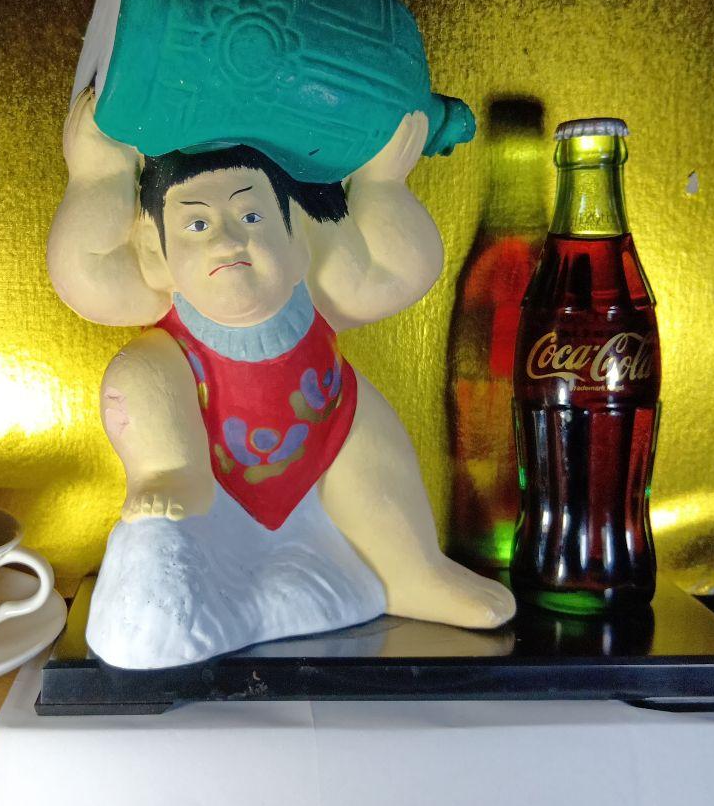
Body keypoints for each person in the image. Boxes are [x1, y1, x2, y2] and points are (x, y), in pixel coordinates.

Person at [48, 89, 515, 665]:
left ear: (296, 240)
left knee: (372, 452)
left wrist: (382, 184)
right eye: (197, 224)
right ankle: (170, 475)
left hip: (327, 416)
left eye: (251, 216)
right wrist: (98, 172)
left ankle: (409, 569)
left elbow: (398, 269)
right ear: (155, 253)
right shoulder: (156, 306)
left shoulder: (322, 288)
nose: (227, 239)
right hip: (204, 455)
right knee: (141, 372)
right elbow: (86, 272)